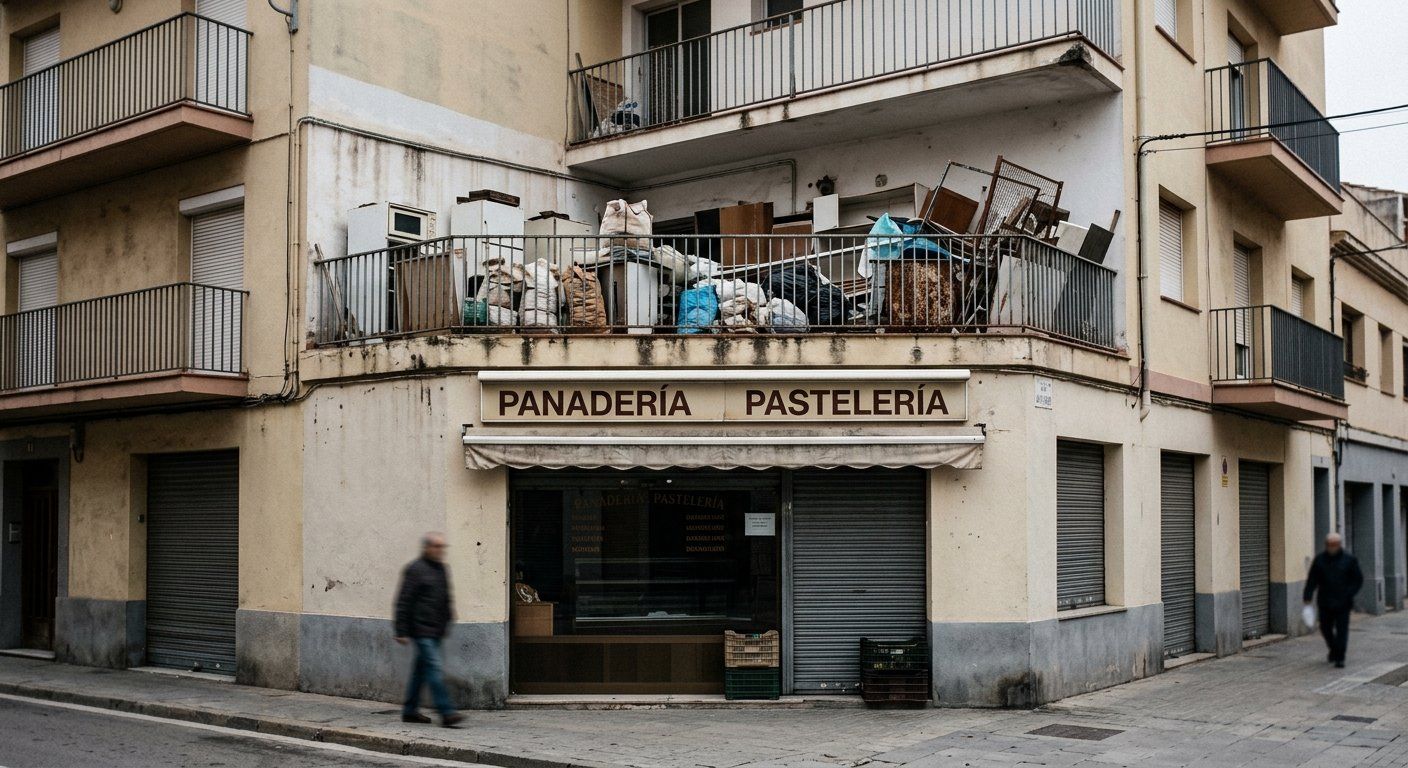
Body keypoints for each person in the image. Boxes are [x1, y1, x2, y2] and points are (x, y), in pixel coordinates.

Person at [395, 532, 463, 726]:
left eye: (442, 547)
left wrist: (449, 616)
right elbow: (404, 600)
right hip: (421, 629)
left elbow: (446, 596)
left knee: (420, 671)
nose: (440, 550)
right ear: (427, 548)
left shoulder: (442, 569)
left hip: (436, 629)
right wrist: (401, 630)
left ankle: (410, 711)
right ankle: (446, 712)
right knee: (434, 668)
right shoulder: (415, 569)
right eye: (436, 546)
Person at [1303, 532, 1364, 669]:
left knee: (1342, 630)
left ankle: (1340, 657)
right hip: (1325, 601)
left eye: (1334, 544)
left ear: (1339, 545)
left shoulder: (1349, 560)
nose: (1332, 547)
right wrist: (1307, 596)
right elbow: (1312, 579)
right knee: (1325, 628)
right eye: (1329, 544)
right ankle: (1333, 648)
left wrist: (1349, 593)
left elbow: (1358, 579)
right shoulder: (1320, 560)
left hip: (1343, 602)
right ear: (1326, 545)